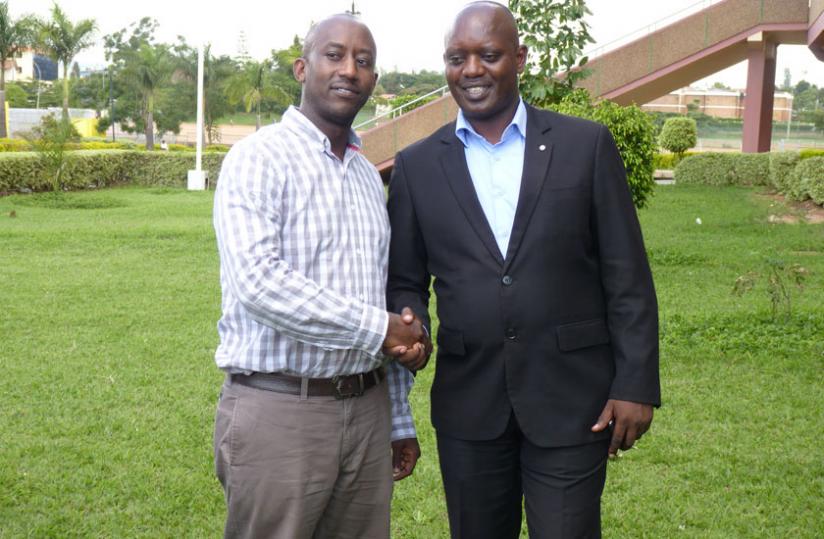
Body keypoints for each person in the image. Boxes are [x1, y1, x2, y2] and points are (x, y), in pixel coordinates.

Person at [386, 2, 660, 538]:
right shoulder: (417, 165)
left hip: (572, 399)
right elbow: (405, 279)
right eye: (456, 57)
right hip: (470, 403)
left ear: (520, 58)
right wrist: (411, 322)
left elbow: (626, 275)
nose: (471, 70)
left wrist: (636, 382)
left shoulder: (585, 146)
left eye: (488, 55)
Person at [212, 13, 429, 539]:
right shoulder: (258, 159)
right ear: (302, 66)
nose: (350, 70)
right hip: (282, 411)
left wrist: (397, 418)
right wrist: (380, 329)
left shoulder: (364, 174)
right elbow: (260, 282)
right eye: (335, 55)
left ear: (375, 82)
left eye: (364, 61)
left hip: (367, 412)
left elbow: (379, 293)